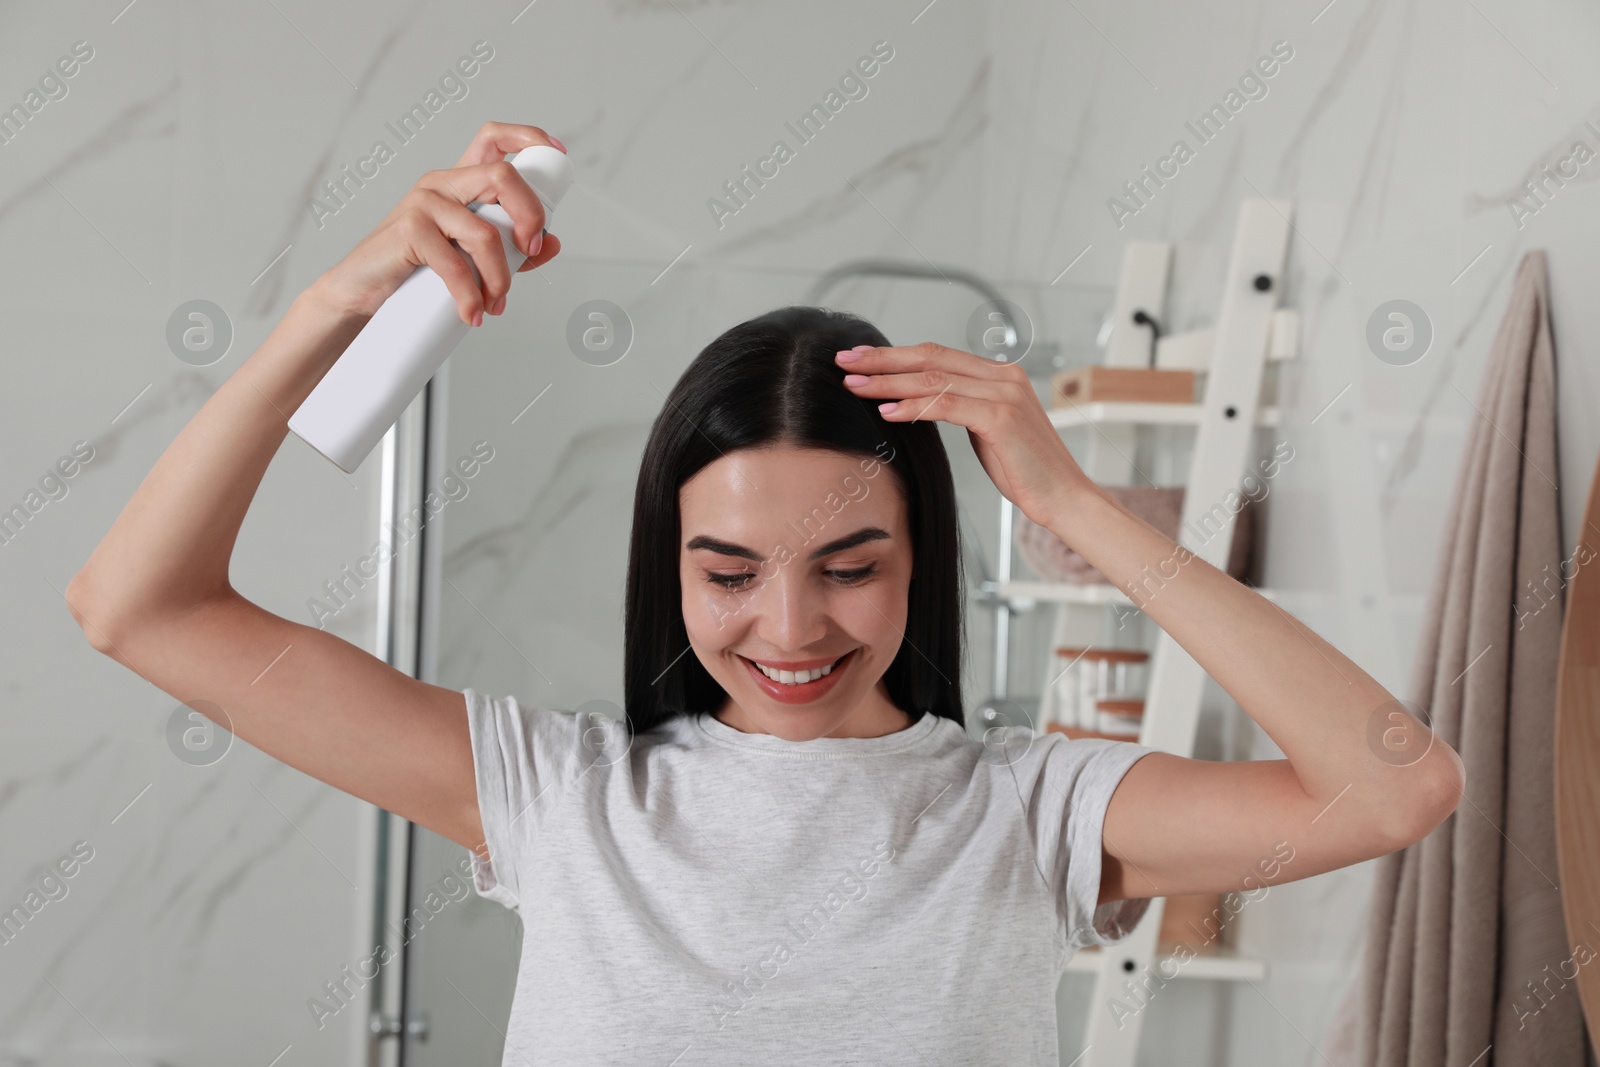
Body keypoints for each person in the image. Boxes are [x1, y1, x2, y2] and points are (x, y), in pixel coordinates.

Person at [66, 122, 1464, 1064]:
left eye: (851, 570)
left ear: (921, 563)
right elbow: (137, 607)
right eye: (728, 572)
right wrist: (336, 303)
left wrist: (1076, 505)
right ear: (665, 569)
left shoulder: (1030, 813)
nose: (790, 631)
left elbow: (1394, 787)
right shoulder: (559, 797)